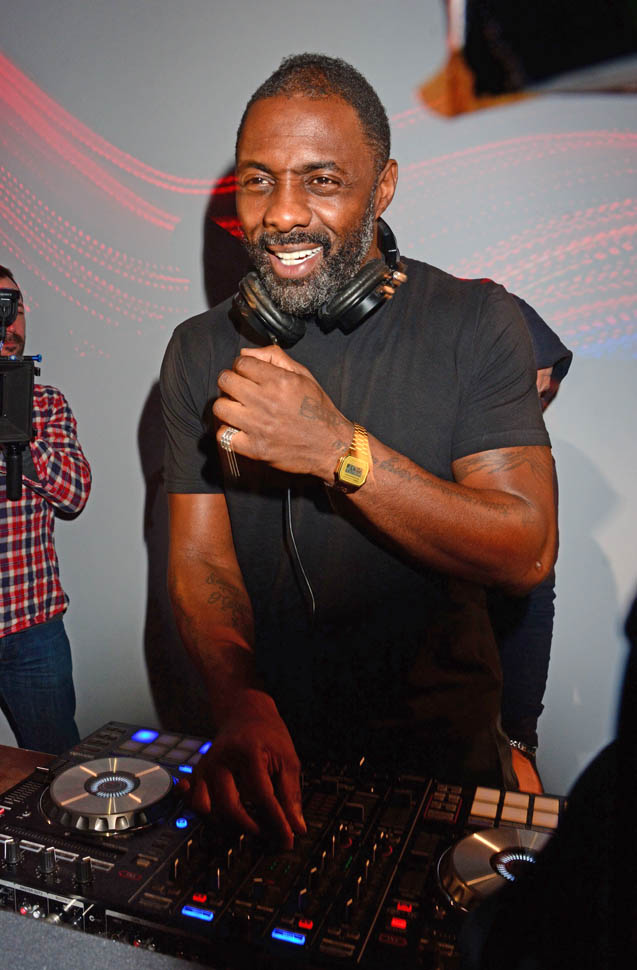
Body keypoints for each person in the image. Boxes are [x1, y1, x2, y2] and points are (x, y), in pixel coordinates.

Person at [160, 54, 557, 849]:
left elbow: (524, 550)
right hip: (271, 763)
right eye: (259, 180)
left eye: (322, 180)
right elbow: (201, 561)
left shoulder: (476, 323)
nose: (281, 213)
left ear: (382, 188)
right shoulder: (198, 349)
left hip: (440, 770)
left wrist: (337, 450)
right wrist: (238, 698)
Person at [0, 265, 91, 754]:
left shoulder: (47, 404)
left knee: (56, 766)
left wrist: (18, 431)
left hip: (32, 626)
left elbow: (74, 494)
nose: (9, 321)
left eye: (14, 306)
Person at [490, 296, 572, 791]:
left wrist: (520, 740)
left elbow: (537, 602)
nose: (534, 416)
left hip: (478, 725)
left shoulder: (534, 467)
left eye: (543, 400)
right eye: (524, 394)